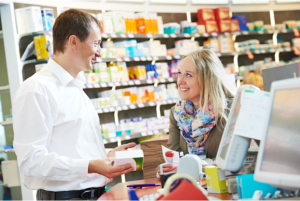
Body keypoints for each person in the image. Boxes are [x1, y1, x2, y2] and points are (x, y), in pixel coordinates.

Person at [13, 9, 135, 200]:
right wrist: (90, 166)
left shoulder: (75, 88)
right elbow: (31, 161)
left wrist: (107, 156)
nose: (99, 52)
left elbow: (74, 148)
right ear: (73, 42)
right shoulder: (36, 89)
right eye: (96, 43)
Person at [159, 46, 236, 174]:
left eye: (188, 75)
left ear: (207, 79)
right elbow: (174, 158)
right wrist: (164, 169)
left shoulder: (231, 108)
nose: (180, 81)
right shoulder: (177, 113)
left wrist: (197, 166)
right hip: (192, 184)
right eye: (179, 74)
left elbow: (232, 159)